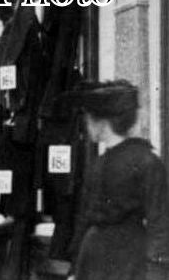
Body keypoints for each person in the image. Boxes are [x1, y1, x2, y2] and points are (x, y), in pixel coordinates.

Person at [68, 81, 169, 280]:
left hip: (104, 258)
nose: (87, 126)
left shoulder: (100, 164)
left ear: (103, 124)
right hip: (125, 260)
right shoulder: (147, 160)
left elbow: (83, 220)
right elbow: (161, 224)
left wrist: (74, 270)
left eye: (89, 120)